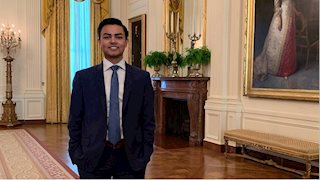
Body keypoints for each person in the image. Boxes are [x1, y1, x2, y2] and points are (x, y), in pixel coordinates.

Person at [68, 18, 155, 179]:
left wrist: (145, 152)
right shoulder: (83, 78)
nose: (113, 41)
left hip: (131, 157)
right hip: (93, 157)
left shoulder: (141, 78)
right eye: (107, 36)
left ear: (126, 41)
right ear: (99, 41)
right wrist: (77, 153)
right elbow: (75, 120)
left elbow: (148, 120)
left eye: (119, 36)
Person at [254, 0, 304, 81]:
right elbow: (277, 1)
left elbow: (291, 3)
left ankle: (289, 68)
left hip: (290, 14)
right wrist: (279, 17)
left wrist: (296, 12)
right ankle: (281, 70)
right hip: (284, 14)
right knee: (282, 41)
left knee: (289, 42)